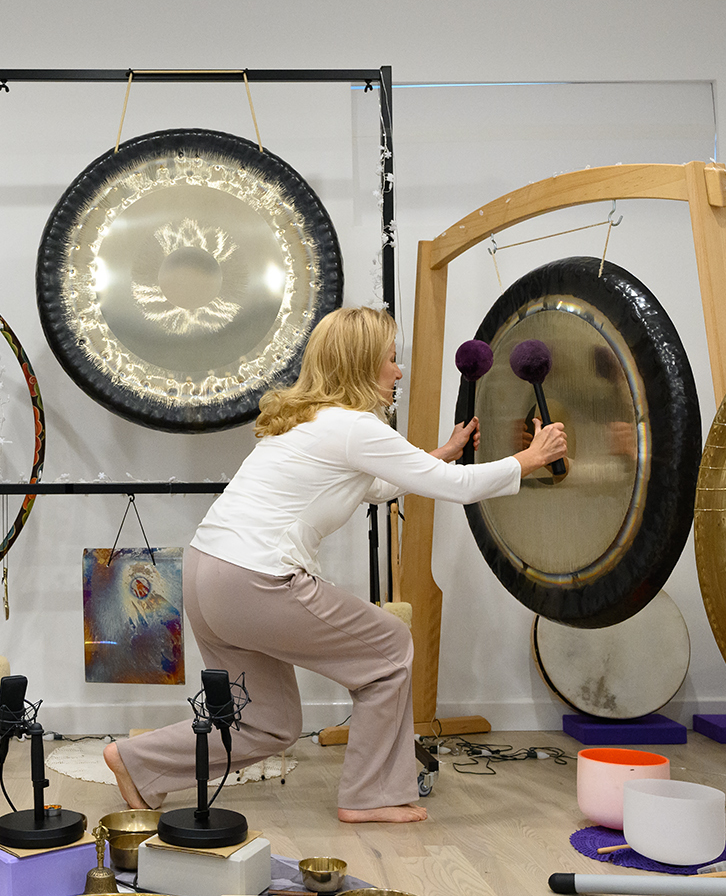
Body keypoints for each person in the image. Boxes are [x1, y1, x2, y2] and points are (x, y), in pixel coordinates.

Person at [104, 306, 568, 824]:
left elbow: (377, 485)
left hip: (206, 574)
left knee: (269, 723)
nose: (398, 371)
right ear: (363, 363)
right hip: (256, 580)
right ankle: (370, 795)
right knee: (390, 649)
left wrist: (441, 452)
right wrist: (530, 458)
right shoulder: (355, 427)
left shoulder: (305, 420)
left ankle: (138, 762)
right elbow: (457, 488)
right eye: (391, 359)